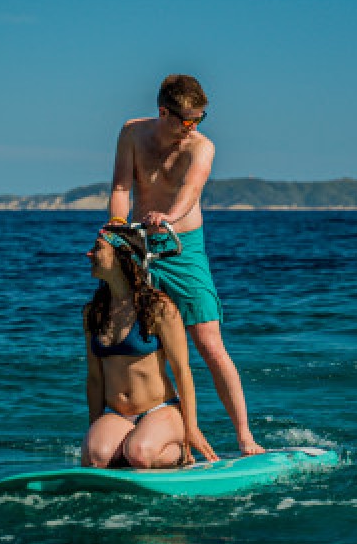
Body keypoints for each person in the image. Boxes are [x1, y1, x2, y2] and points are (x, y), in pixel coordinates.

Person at [108, 74, 265, 456]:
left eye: (200, 119)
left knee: (209, 344)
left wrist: (168, 217)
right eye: (187, 120)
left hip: (183, 249)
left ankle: (244, 437)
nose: (193, 128)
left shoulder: (202, 147)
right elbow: (120, 189)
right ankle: (165, 434)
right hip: (138, 243)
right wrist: (116, 229)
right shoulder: (132, 133)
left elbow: (190, 191)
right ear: (164, 112)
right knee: (141, 345)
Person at [82, 225, 218, 468]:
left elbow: (182, 371)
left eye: (97, 248)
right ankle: (124, 447)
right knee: (94, 457)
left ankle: (176, 449)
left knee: (139, 454)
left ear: (121, 255)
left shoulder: (160, 308)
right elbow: (95, 378)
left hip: (159, 409)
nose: (89, 254)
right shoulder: (93, 312)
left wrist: (192, 430)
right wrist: (95, 427)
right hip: (117, 413)